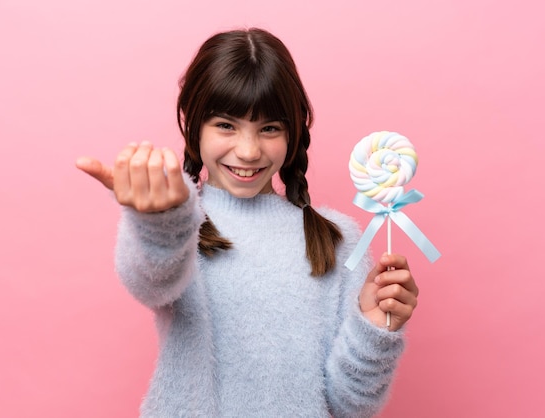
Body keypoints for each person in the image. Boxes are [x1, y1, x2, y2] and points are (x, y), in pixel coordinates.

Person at [76, 28, 419, 418]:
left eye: (269, 128)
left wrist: (374, 329)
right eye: (226, 125)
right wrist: (162, 223)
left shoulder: (335, 239)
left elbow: (349, 405)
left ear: (294, 129)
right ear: (193, 125)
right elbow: (149, 280)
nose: (248, 150)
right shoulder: (181, 222)